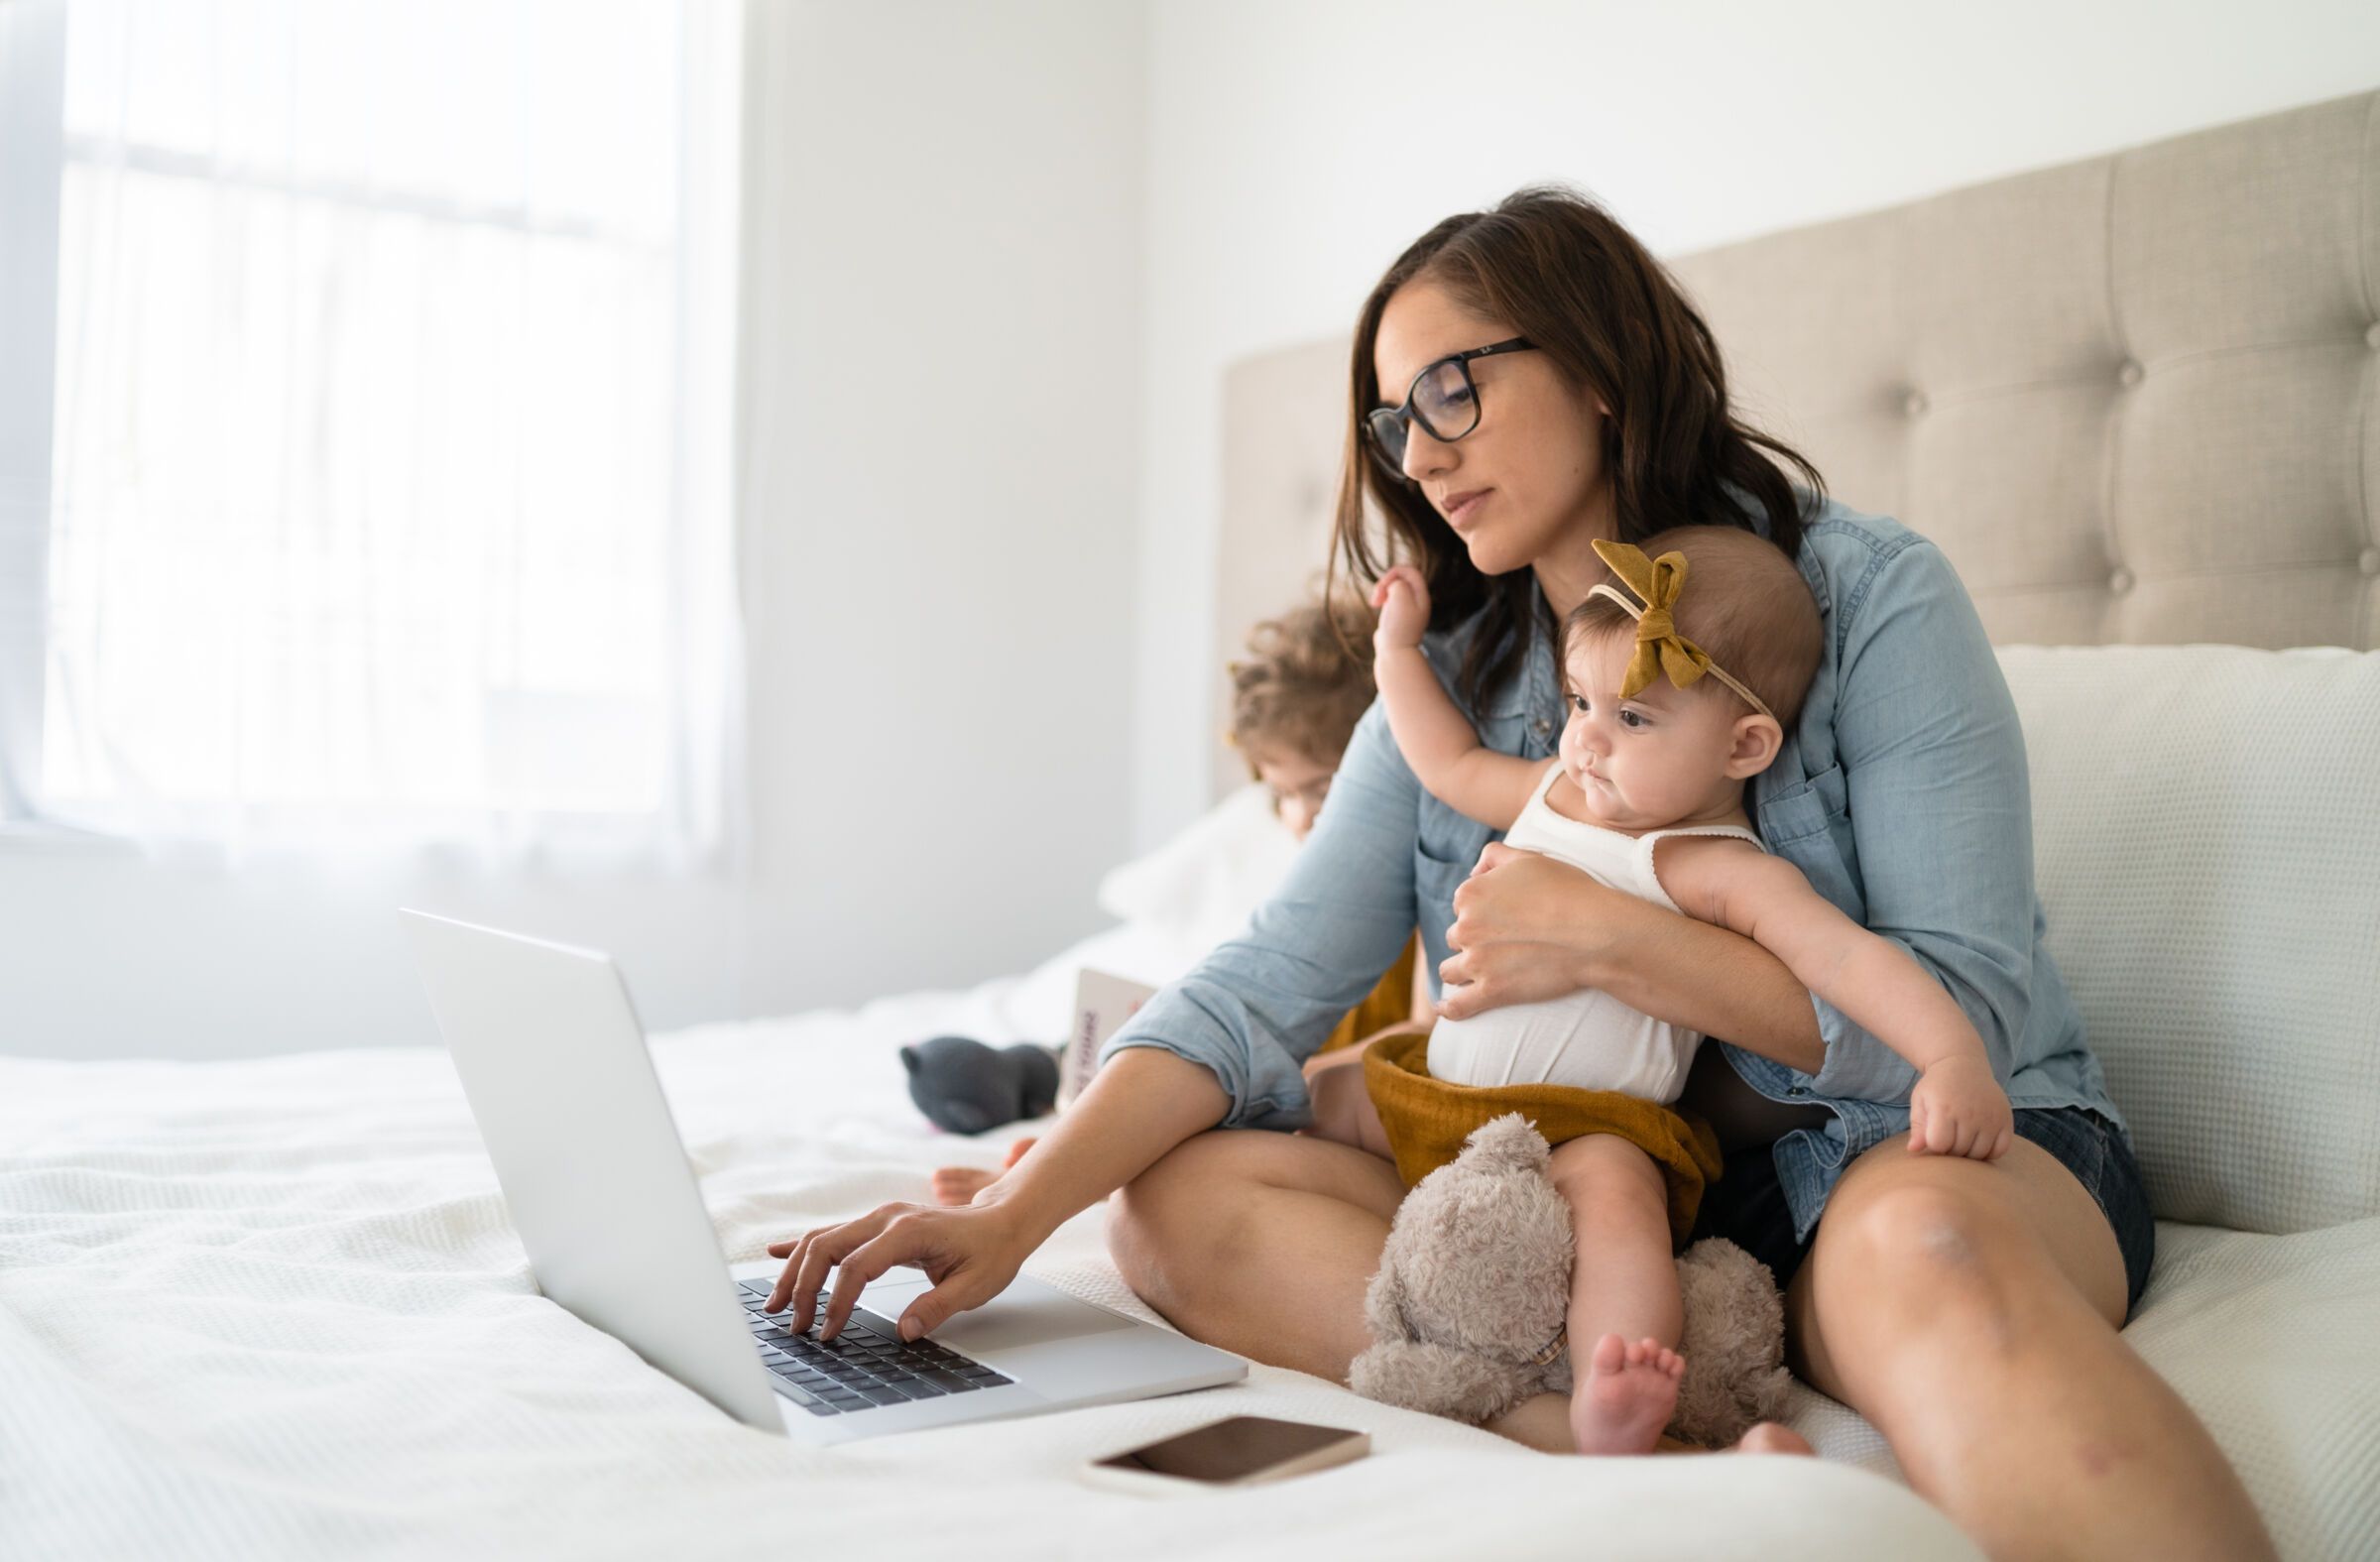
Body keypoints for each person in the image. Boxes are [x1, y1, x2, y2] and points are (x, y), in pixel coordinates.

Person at [762, 187, 2273, 1558]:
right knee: (1171, 1200)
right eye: (1391, 421)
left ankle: (1652, 1387)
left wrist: (1612, 943)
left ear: (1601, 366)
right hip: (1608, 1194)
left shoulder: (1863, 598)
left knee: (1916, 1238)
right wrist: (1019, 1209)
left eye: (1454, 389)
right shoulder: (1456, 685)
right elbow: (1265, 983)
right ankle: (1612, 1427)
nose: (1420, 452)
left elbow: (1970, 1013)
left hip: (1919, 1152)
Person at [1305, 525, 2012, 1453]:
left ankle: (1618, 1385)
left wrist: (1950, 1055)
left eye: (1633, 718)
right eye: (1580, 700)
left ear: (1745, 744)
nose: (1589, 739)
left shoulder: (1711, 865)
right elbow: (1448, 763)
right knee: (1313, 1093)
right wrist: (1396, 651)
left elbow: (1848, 963)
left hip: (1587, 1125)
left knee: (1620, 1212)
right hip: (1437, 1100)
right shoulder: (1563, 786)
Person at [925, 590, 1428, 1208]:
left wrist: (1262, 1086)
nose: (1301, 818)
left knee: (1193, 1136)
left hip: (1342, 1102)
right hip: (1284, 1082)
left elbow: (1418, 1035)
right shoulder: (1303, 897)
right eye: (1281, 796)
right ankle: (1066, 1133)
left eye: (1322, 788)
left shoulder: (1419, 890)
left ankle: (1085, 1163)